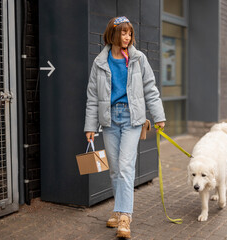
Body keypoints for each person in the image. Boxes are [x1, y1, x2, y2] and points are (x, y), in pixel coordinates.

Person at [84, 16, 166, 239]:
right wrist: (90, 126)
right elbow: (92, 96)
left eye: (129, 33)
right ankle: (118, 209)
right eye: (123, 33)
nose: (127, 37)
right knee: (114, 169)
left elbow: (150, 87)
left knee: (125, 166)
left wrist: (158, 116)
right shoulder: (100, 62)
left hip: (132, 119)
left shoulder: (139, 59)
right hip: (109, 120)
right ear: (113, 34)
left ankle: (125, 217)